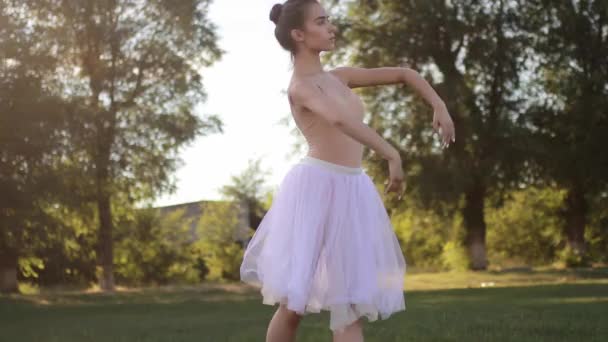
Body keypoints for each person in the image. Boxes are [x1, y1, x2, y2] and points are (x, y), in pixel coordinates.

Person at [239, 1, 455, 341]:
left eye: (329, 21)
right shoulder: (301, 88)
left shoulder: (341, 77)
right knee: (293, 305)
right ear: (298, 34)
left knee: (350, 304)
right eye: (322, 22)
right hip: (314, 189)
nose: (331, 28)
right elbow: (340, 120)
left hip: (352, 189)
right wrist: (391, 154)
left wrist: (438, 103)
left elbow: (403, 73)